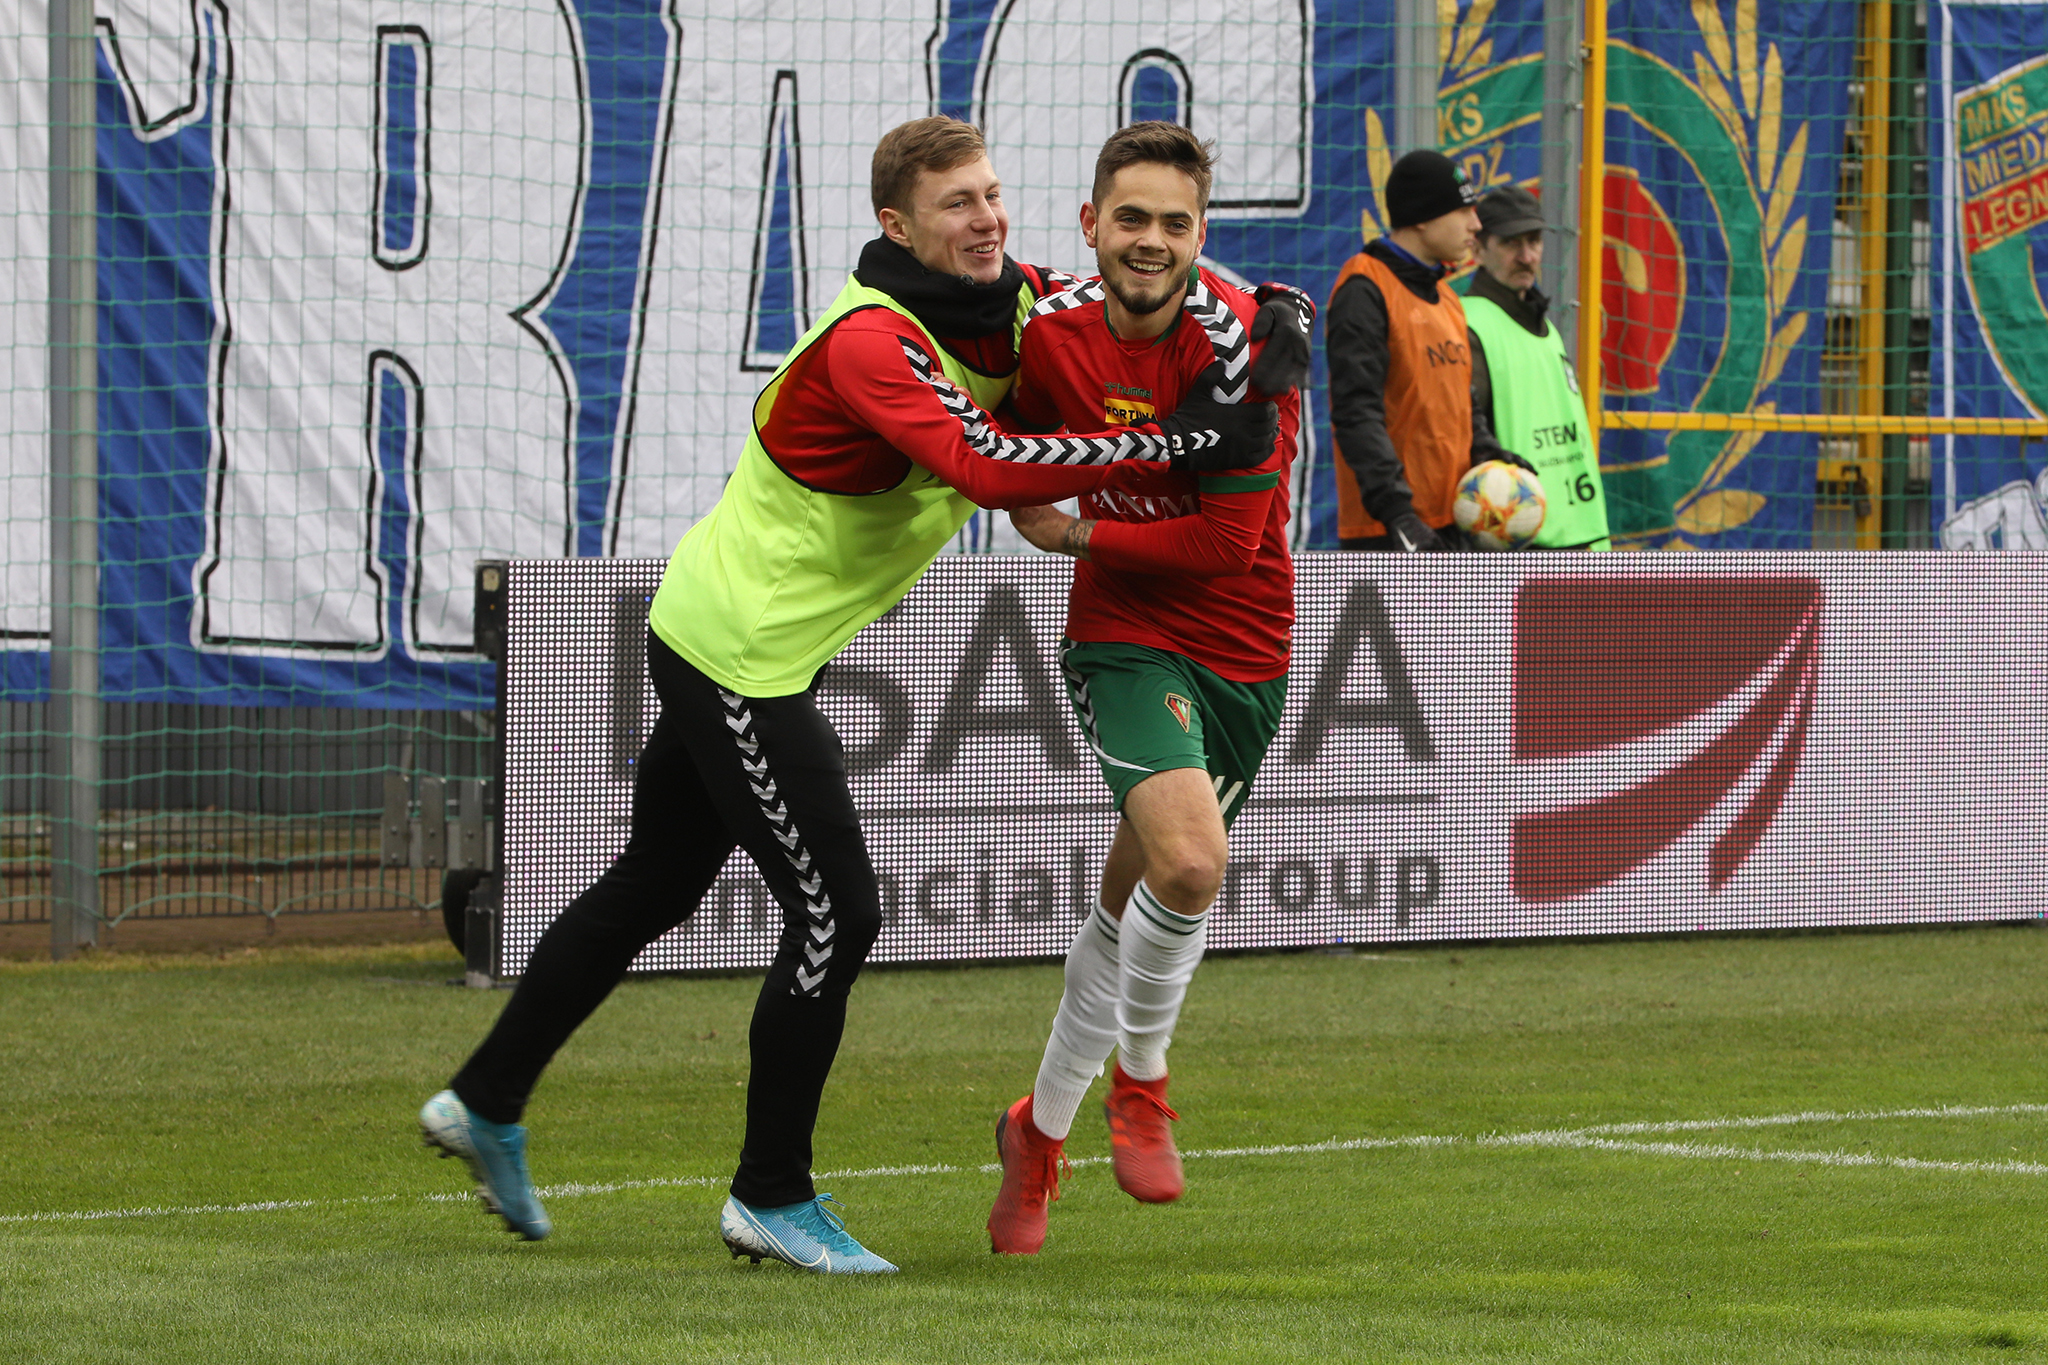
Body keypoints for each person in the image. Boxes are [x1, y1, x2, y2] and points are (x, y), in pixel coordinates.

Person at [416, 116, 1280, 1276]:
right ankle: (769, 1195)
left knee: (653, 883)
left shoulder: (1011, 302)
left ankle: (484, 1098)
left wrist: (1280, 309)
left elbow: (1157, 277)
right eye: (954, 205)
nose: (985, 219)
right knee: (838, 910)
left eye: (989, 194)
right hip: (737, 655)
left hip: (747, 641)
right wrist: (1177, 440)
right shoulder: (872, 341)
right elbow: (984, 468)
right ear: (895, 227)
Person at [985, 121, 1310, 1256]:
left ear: (1201, 234)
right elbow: (989, 393)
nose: (1150, 241)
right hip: (1123, 634)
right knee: (1191, 862)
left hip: (1242, 645)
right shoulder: (1047, 331)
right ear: (1090, 223)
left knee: (1133, 901)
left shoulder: (1250, 351)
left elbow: (1224, 547)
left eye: (1175, 223)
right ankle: (1143, 1080)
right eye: (1130, 217)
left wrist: (1073, 529)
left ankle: (1036, 1133)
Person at [1325, 150, 1533, 551]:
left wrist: (1488, 454)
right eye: (1464, 210)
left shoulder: (1447, 297)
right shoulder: (1365, 290)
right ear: (1422, 217)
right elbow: (1356, 413)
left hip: (1454, 521)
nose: (1476, 224)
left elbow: (1461, 403)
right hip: (1388, 533)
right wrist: (1398, 514)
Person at [1463, 183, 1610, 550]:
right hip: (1519, 543)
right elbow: (1464, 439)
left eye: (1534, 241)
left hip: (1579, 535)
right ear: (1477, 249)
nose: (1527, 256)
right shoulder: (1469, 325)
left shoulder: (1545, 327)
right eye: (1510, 243)